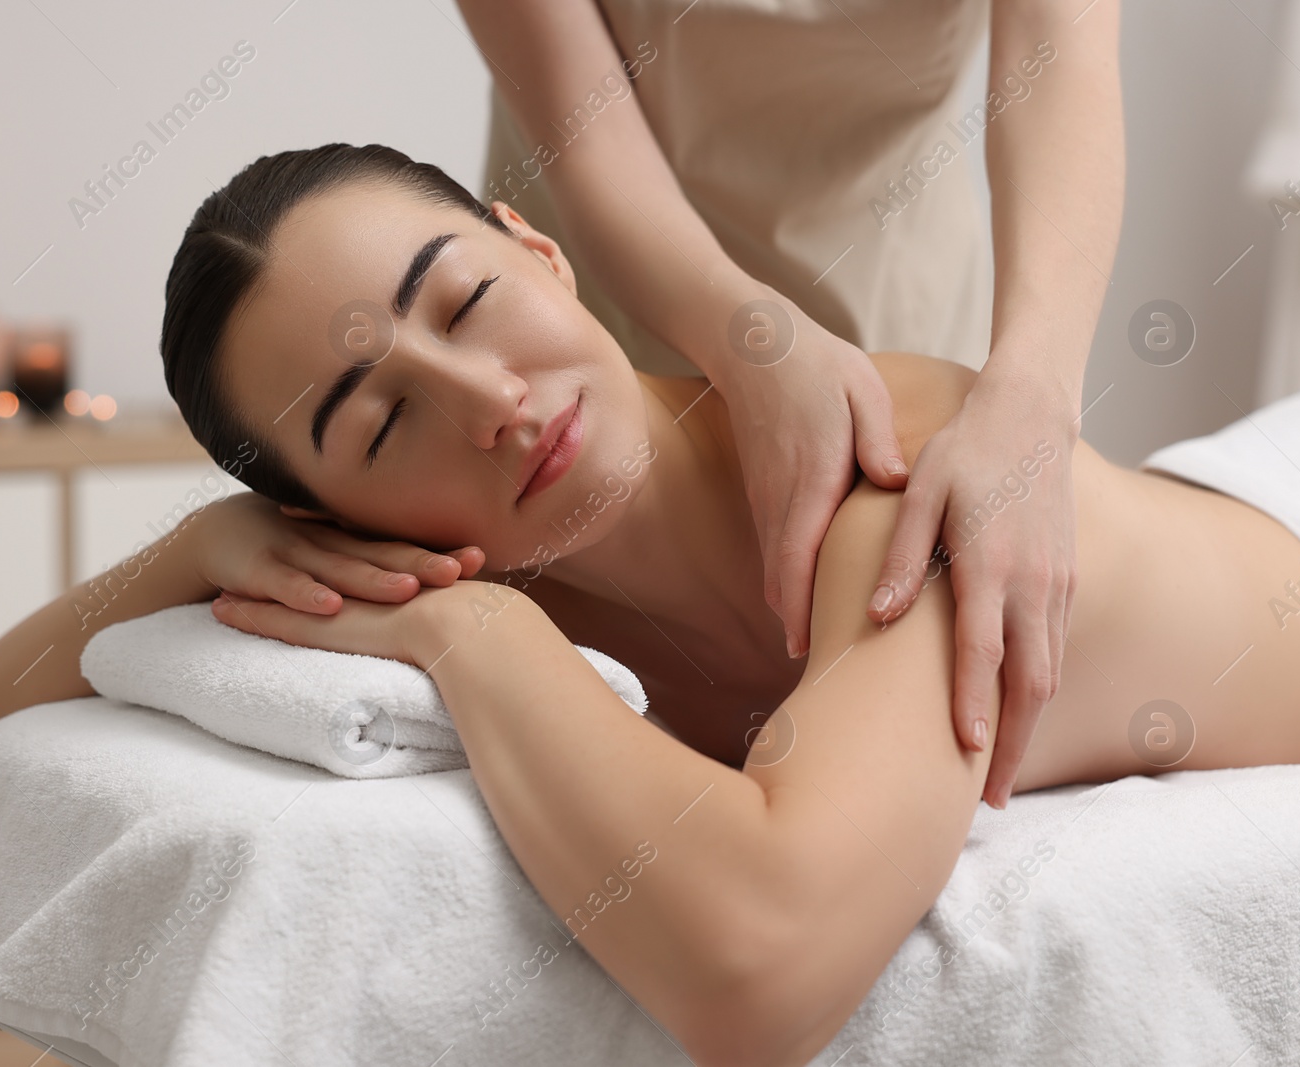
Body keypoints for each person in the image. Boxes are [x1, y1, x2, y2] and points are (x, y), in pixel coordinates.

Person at [0, 146, 1300, 1064]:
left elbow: (765, 972)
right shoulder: (525, 593)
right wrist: (199, 543)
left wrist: (468, 635)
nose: (493, 400)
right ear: (332, 520)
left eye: (470, 301)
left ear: (538, 248)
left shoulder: (895, 468)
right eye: (380, 425)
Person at [453, 0, 1126, 810]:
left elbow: (1061, 63)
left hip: (896, 309)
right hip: (622, 324)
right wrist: (747, 342)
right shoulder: (513, 466)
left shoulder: (905, 458)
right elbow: (588, 136)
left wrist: (1035, 393)